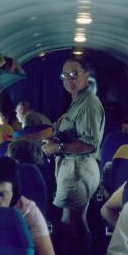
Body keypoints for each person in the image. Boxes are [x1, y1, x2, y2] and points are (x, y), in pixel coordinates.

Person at [42, 57, 105, 244]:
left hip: (77, 170)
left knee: (68, 223)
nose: (69, 78)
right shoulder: (78, 101)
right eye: (65, 75)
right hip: (76, 168)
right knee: (79, 222)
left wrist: (58, 147)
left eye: (74, 74)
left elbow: (89, 144)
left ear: (86, 76)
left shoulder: (88, 105)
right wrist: (56, 139)